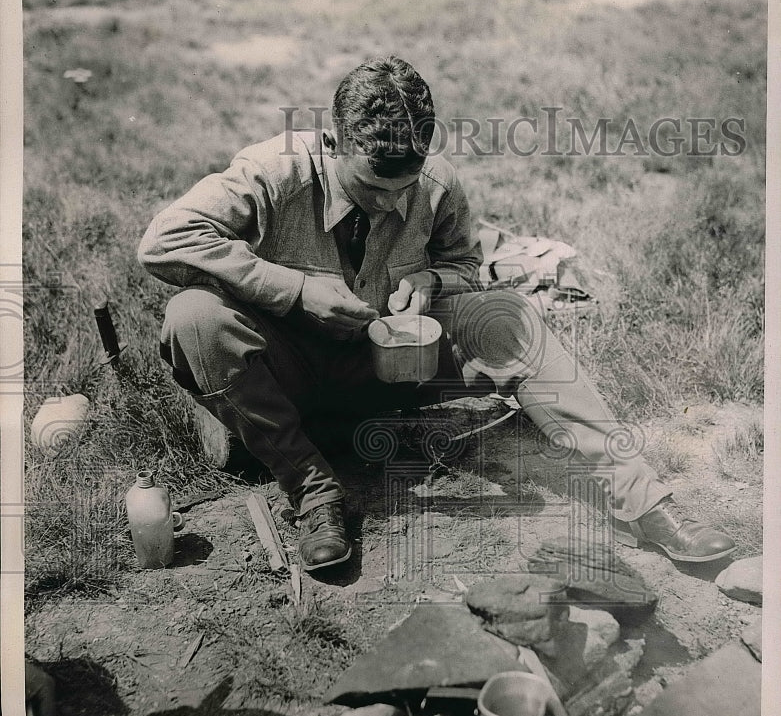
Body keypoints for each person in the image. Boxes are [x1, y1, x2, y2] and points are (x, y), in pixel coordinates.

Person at [138, 56, 736, 572]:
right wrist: (294, 289)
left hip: (386, 372)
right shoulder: (273, 171)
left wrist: (431, 279)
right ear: (332, 141)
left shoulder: (434, 182)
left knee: (506, 314)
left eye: (406, 185)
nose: (394, 201)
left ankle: (644, 502)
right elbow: (163, 241)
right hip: (280, 381)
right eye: (373, 187)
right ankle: (314, 490)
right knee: (194, 316)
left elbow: (468, 267)